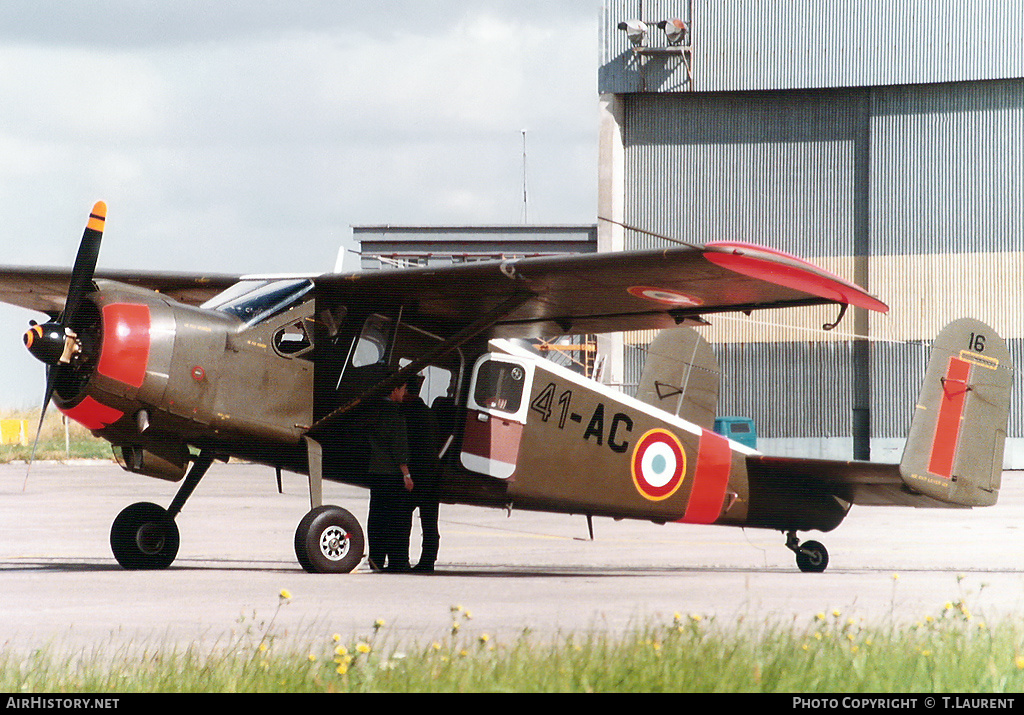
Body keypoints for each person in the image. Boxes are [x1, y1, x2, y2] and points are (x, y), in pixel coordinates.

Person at [365, 378, 414, 573]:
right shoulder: (395, 415)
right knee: (397, 520)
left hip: (375, 472)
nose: (404, 394)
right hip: (392, 475)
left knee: (376, 518)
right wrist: (407, 475)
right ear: (394, 389)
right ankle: (398, 561)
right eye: (403, 389)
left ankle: (376, 558)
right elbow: (399, 448)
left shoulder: (375, 412)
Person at [401, 374, 442, 572]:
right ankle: (428, 560)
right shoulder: (428, 413)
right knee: (429, 522)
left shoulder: (405, 413)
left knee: (402, 517)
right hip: (432, 473)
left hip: (415, 474)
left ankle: (400, 559)